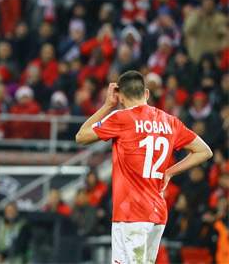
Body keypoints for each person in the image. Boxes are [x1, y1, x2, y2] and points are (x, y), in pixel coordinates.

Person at [75, 70, 213, 263]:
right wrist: (170, 172)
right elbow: (204, 151)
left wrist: (107, 105)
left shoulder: (121, 118)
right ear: (146, 94)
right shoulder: (169, 121)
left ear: (120, 97)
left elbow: (81, 136)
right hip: (156, 213)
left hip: (131, 213)